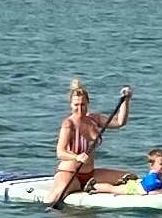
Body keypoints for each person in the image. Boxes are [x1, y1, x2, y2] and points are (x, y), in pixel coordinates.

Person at [45, 76, 132, 209]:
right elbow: (60, 152)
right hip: (70, 174)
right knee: (54, 198)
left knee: (129, 177)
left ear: (88, 103)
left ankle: (91, 187)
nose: (80, 109)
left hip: (90, 174)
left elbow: (120, 122)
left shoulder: (94, 119)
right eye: (76, 105)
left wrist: (126, 101)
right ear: (71, 105)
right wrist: (76, 157)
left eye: (83, 105)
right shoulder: (69, 124)